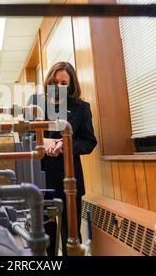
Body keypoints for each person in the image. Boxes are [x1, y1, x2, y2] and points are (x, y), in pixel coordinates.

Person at [29, 62, 97, 256]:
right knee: (46, 238)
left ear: (71, 85)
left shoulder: (81, 108)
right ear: (48, 82)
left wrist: (65, 145)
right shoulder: (36, 104)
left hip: (70, 181)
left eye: (63, 83)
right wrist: (42, 142)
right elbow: (25, 137)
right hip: (41, 181)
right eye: (54, 81)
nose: (58, 87)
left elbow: (89, 142)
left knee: (71, 238)